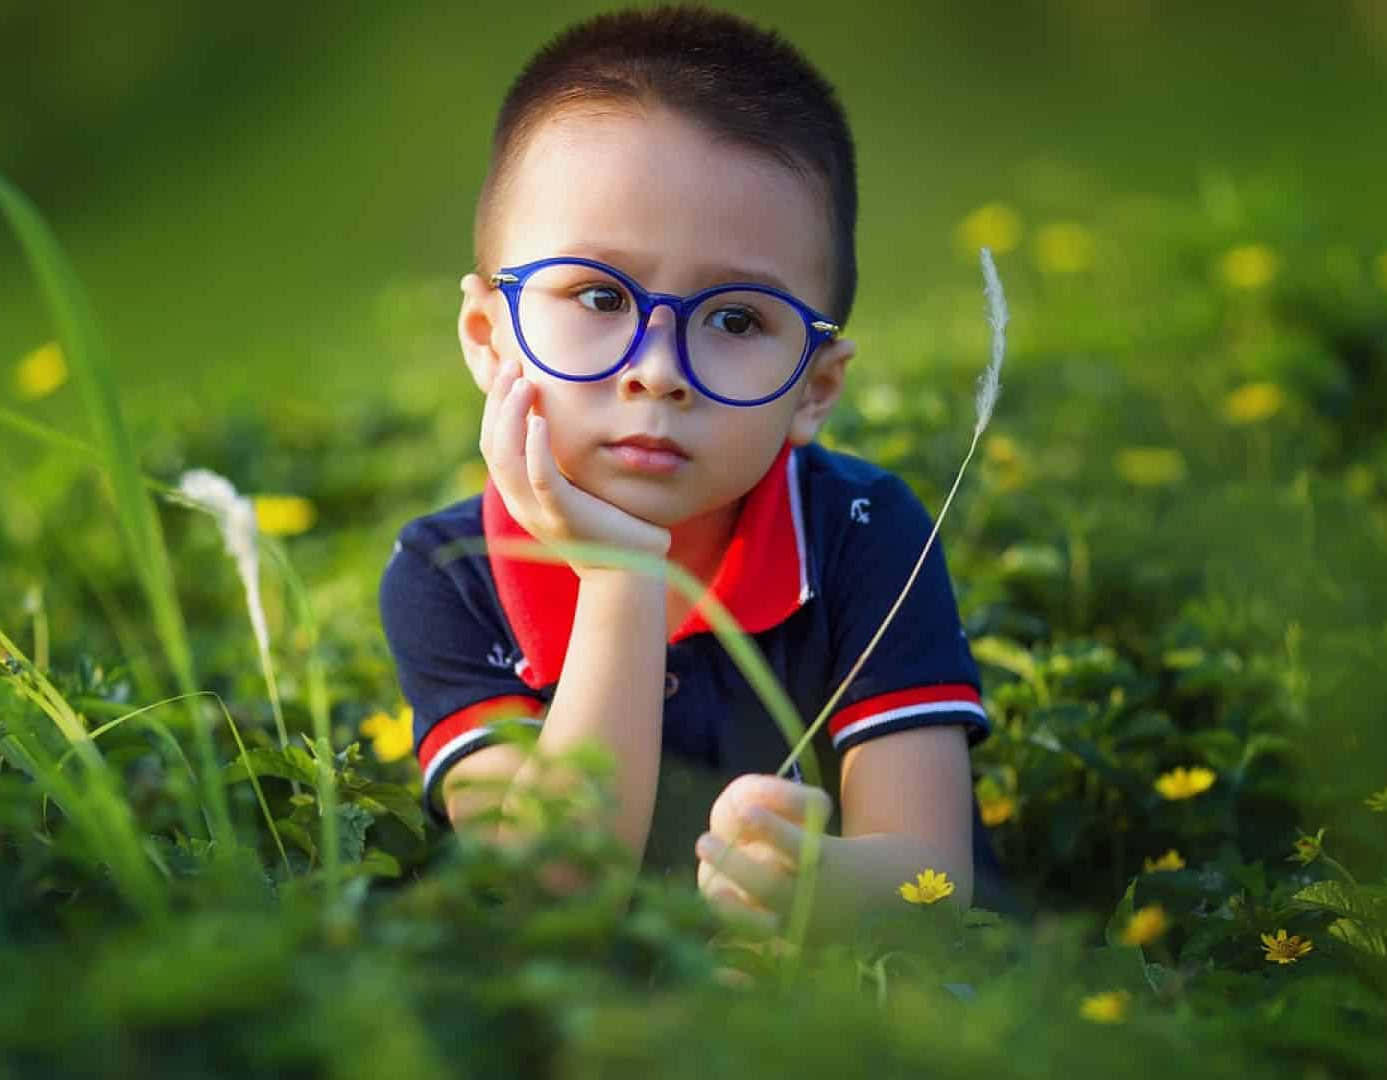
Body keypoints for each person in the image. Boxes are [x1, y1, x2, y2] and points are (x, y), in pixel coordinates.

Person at [377, 4, 1018, 943]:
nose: (658, 370)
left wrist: (816, 888)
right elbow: (546, 893)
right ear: (489, 337)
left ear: (815, 388)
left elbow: (928, 879)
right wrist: (622, 577)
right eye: (598, 295)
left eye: (736, 320)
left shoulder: (863, 533)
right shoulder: (448, 571)